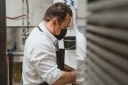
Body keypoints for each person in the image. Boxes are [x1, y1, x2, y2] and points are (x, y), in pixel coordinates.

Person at [22, 2, 76, 85]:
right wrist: (78, 74)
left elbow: (48, 61)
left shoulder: (45, 35)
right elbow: (55, 79)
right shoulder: (40, 43)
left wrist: (67, 68)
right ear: (54, 22)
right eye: (64, 27)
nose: (65, 31)